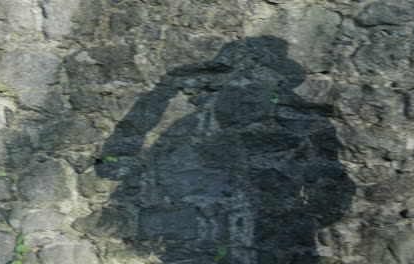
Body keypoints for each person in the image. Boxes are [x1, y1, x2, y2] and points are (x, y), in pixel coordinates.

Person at [78, 36, 356, 264]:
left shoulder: (307, 125)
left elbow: (333, 190)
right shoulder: (188, 129)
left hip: (277, 250)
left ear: (276, 81)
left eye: (254, 76)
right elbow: (113, 168)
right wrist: (161, 93)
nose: (244, 85)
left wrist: (294, 224)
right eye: (238, 77)